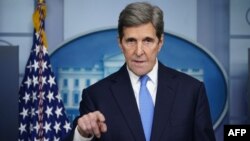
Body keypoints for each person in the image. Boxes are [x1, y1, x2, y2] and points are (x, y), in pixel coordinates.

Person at [65, 2, 216, 141]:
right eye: (131, 41)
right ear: (120, 43)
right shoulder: (96, 96)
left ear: (160, 42)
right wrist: (82, 134)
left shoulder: (191, 92)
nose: (139, 51)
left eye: (147, 41)